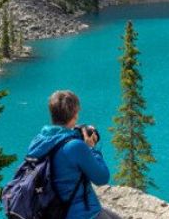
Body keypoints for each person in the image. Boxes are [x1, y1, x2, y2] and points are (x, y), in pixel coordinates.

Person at [25, 90, 118, 219]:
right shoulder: (74, 146)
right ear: (75, 114)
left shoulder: (38, 141)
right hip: (80, 213)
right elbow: (102, 178)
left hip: (51, 210)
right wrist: (92, 148)